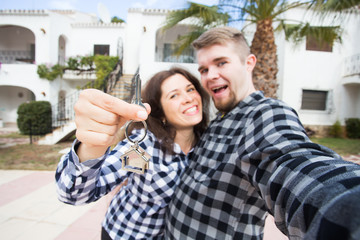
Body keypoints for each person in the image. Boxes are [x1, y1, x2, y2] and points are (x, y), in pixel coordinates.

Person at [163, 27, 360, 239]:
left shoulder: (265, 113)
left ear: (249, 63)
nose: (210, 76)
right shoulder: (218, 121)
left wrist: (344, 205)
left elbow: (290, 162)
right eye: (203, 69)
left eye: (221, 63)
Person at [55, 67, 210, 240]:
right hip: (125, 234)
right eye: (174, 95)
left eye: (190, 89)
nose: (188, 98)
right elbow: (74, 193)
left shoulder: (208, 143)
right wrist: (92, 147)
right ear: (161, 114)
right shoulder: (145, 147)